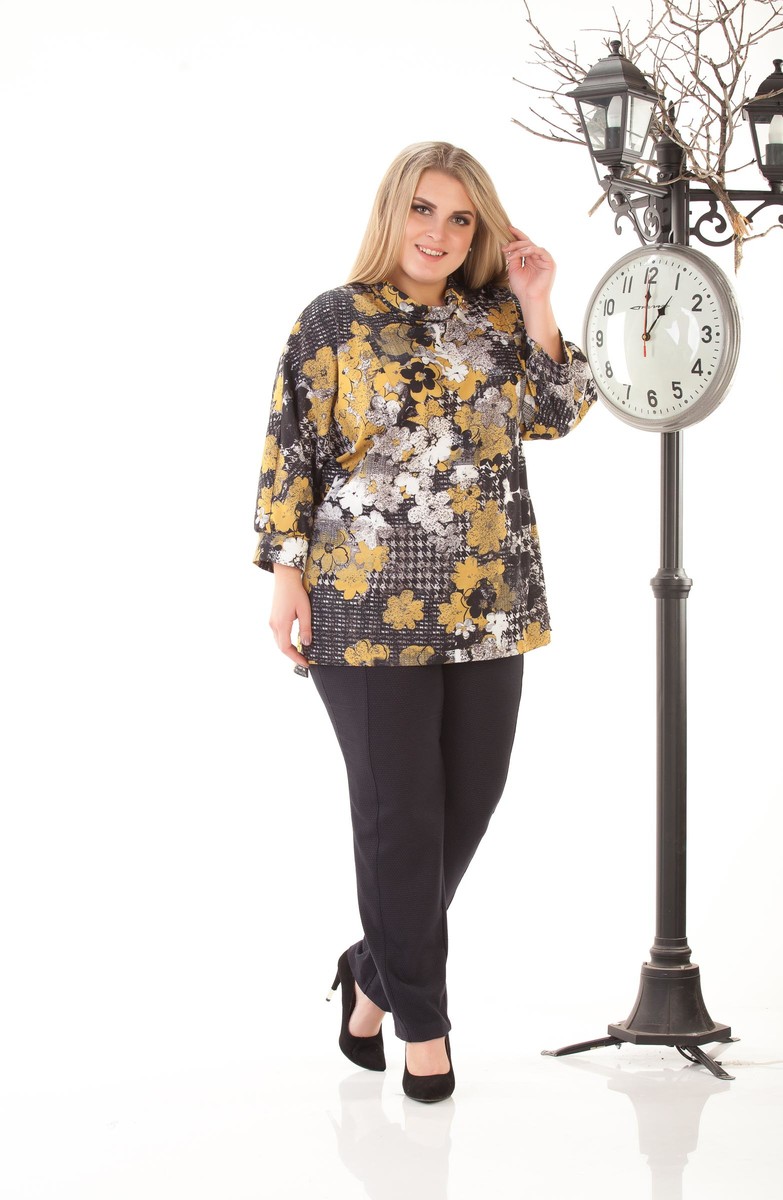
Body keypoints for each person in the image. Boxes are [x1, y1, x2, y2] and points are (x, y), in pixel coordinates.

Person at [252, 141, 598, 1102]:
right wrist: (285, 573)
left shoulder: (495, 317)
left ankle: (372, 969)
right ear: (392, 209)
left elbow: (559, 411)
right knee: (399, 816)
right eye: (423, 209)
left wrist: (536, 299)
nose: (437, 233)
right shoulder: (332, 318)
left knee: (465, 808)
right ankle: (425, 1027)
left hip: (490, 602)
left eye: (459, 218)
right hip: (362, 605)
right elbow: (291, 447)